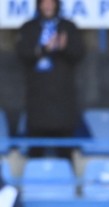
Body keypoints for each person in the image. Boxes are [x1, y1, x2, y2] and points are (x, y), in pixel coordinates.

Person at [15, 0, 85, 160]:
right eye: (44, 3)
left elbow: (79, 53)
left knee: (65, 152)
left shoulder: (68, 27)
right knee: (36, 150)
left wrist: (63, 47)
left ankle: (69, 184)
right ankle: (31, 183)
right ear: (39, 5)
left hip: (63, 102)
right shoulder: (29, 27)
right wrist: (43, 49)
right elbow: (22, 53)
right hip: (37, 101)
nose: (48, 6)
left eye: (51, 3)